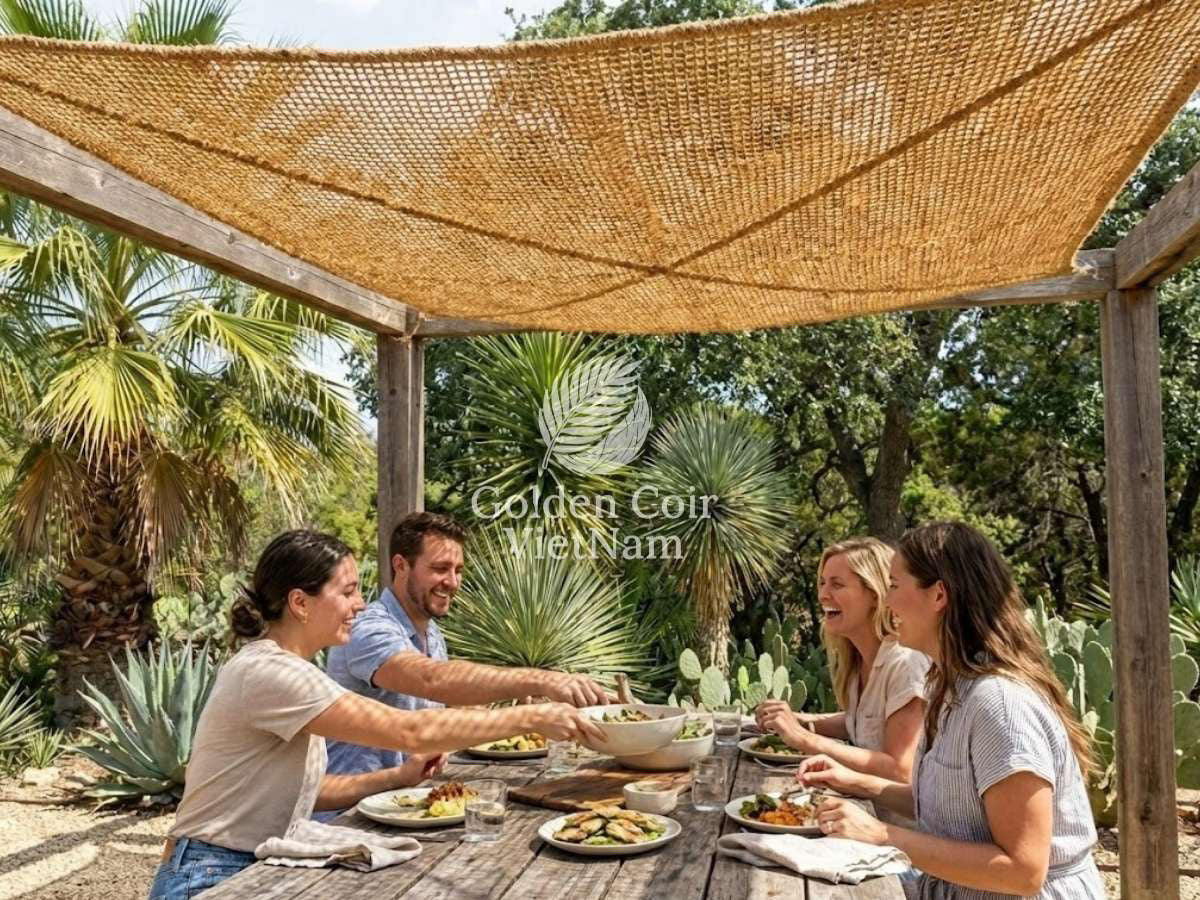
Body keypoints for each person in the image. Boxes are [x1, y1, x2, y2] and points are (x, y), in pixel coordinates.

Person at [148, 530, 603, 900]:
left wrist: (396, 779)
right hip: (211, 874)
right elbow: (411, 728)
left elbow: (302, 793)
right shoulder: (270, 672)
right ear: (300, 603)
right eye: (347, 592)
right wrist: (532, 715)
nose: (360, 605)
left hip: (250, 862)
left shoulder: (290, 668)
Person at [795, 522, 1104, 898]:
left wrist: (881, 834)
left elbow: (1024, 870)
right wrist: (850, 781)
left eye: (894, 586)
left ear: (938, 595)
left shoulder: (999, 707)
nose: (888, 602)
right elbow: (948, 807)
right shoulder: (949, 686)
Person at [323, 512, 610, 783]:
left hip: (408, 803)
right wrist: (541, 681)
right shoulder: (368, 628)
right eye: (439, 569)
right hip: (349, 816)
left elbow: (445, 704)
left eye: (458, 570)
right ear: (401, 565)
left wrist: (569, 707)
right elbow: (431, 680)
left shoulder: (430, 632)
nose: (452, 582)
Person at [755, 538, 928, 792]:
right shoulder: (857, 659)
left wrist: (804, 738)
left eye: (837, 584)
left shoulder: (905, 663)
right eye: (823, 583)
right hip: (856, 805)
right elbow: (861, 721)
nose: (823, 594)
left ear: (874, 593)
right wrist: (797, 721)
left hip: (890, 826)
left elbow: (901, 771)